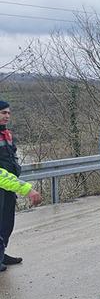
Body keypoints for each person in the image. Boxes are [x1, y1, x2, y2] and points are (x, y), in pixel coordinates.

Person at [0, 100, 43, 271]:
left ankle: (2, 253)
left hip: (8, 186)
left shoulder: (6, 134)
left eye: (9, 113)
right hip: (3, 183)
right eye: (3, 113)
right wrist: (25, 188)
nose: (7, 116)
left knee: (6, 222)